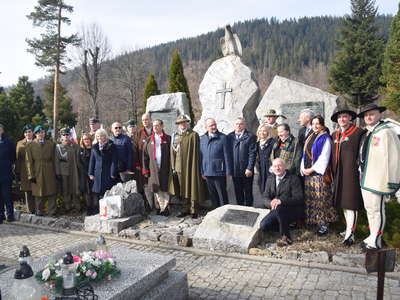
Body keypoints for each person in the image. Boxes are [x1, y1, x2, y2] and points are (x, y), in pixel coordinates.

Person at [358, 104, 400, 250]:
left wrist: (393, 181)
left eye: (372, 114)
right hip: (366, 178)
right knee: (369, 208)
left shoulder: (386, 132)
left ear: (379, 115)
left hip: (379, 179)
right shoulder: (369, 132)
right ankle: (372, 235)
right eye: (366, 115)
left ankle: (376, 240)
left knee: (377, 209)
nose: (368, 117)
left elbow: (394, 157)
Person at [330, 109, 365, 246]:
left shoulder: (358, 133)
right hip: (339, 174)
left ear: (350, 118)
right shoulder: (335, 135)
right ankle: (348, 229)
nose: (342, 119)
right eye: (340, 117)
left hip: (352, 174)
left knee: (351, 205)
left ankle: (351, 235)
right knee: (344, 204)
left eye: (345, 117)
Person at [301, 115, 336, 235]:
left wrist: (311, 169)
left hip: (319, 175)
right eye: (313, 123)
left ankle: (324, 224)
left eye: (318, 124)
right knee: (312, 199)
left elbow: (324, 158)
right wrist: (303, 168)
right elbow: (305, 153)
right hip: (308, 173)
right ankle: (315, 221)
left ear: (322, 125)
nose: (315, 126)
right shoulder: (311, 136)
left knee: (321, 199)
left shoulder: (325, 138)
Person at [259, 158, 304, 246]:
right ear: (272, 168)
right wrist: (270, 203)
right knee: (264, 225)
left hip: (291, 209)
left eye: (279, 166)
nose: (277, 168)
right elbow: (265, 197)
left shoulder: (293, 178)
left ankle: (286, 237)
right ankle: (286, 226)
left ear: (285, 167)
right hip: (275, 209)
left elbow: (299, 198)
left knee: (280, 208)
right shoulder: (270, 178)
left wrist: (281, 201)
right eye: (275, 166)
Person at [169, 114, 205, 218]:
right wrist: (173, 166)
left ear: (187, 123)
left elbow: (197, 153)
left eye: (184, 122)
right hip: (179, 167)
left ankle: (194, 209)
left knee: (192, 186)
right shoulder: (175, 136)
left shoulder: (193, 135)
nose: (182, 124)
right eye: (180, 123)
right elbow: (173, 153)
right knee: (182, 189)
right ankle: (185, 208)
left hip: (191, 166)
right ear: (178, 125)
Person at [199, 118, 232, 209]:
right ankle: (215, 212)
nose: (213, 127)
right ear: (206, 127)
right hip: (207, 172)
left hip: (219, 171)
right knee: (212, 195)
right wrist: (202, 171)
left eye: (214, 124)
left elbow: (227, 155)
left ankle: (225, 212)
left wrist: (228, 171)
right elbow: (200, 156)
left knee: (222, 195)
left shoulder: (223, 137)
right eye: (211, 125)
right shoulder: (202, 139)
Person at [25, 125, 58, 216]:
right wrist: (31, 175)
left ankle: (52, 211)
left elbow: (55, 159)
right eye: (38, 133)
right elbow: (28, 162)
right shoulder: (30, 145)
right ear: (35, 134)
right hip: (37, 170)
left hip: (49, 169)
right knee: (38, 191)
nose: (41, 134)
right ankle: (39, 210)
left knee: (51, 190)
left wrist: (56, 172)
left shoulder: (51, 144)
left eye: (42, 132)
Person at [142, 120, 171, 215]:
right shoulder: (149, 140)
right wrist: (145, 170)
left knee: (165, 188)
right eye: (154, 126)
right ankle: (159, 207)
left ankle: (166, 208)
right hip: (153, 168)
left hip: (165, 167)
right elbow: (145, 157)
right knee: (157, 189)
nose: (155, 127)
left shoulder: (168, 139)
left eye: (157, 125)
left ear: (162, 126)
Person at [227, 117, 257, 207]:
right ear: (234, 125)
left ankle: (249, 208)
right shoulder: (229, 137)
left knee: (248, 191)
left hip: (246, 169)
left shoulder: (250, 136)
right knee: (238, 191)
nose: (239, 126)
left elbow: (252, 153)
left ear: (244, 125)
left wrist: (250, 168)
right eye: (237, 124)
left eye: (241, 124)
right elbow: (228, 153)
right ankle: (240, 208)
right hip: (235, 170)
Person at [55, 128, 81, 214]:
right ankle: (67, 206)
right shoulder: (58, 147)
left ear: (70, 135)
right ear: (61, 136)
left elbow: (78, 159)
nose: (66, 136)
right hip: (63, 171)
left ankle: (77, 206)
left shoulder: (75, 146)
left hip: (74, 170)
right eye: (64, 135)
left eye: (67, 135)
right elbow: (56, 161)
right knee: (66, 189)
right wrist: (58, 172)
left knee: (75, 188)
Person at [88, 129, 118, 199]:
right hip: (97, 173)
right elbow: (92, 161)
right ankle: (100, 209)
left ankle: (108, 209)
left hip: (108, 172)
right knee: (98, 193)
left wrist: (113, 173)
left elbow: (114, 161)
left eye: (101, 136)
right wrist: (90, 173)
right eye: (98, 136)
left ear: (105, 136)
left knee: (108, 192)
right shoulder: (94, 147)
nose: (99, 138)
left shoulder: (111, 146)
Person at [15, 125, 35, 214]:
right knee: (27, 190)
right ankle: (30, 210)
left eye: (30, 131)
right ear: (24, 134)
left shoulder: (36, 142)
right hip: (24, 170)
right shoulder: (20, 143)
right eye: (26, 132)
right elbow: (17, 158)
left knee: (36, 189)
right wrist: (17, 171)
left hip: (35, 169)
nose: (28, 133)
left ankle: (38, 208)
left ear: (33, 133)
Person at [135, 113, 153, 206]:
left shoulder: (156, 130)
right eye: (143, 120)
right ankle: (148, 205)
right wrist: (137, 163)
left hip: (154, 163)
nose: (145, 122)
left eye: (146, 119)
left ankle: (158, 205)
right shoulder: (139, 133)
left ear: (150, 120)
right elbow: (137, 148)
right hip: (143, 164)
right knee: (145, 184)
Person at [0, 124, 16, 223]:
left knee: (7, 195)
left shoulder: (9, 142)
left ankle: (10, 215)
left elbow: (13, 157)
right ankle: (0, 215)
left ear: (2, 131)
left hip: (6, 173)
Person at [79, 133, 96, 215]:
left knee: (94, 191)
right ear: (82, 140)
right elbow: (78, 163)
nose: (86, 140)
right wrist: (85, 173)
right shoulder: (80, 150)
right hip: (84, 174)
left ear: (90, 140)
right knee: (86, 192)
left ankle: (95, 208)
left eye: (88, 139)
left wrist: (92, 173)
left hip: (94, 174)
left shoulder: (94, 149)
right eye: (84, 139)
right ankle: (88, 208)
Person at [255, 124, 274, 195]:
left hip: (270, 167)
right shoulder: (257, 143)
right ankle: (264, 203)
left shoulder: (272, 142)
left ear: (268, 132)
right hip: (261, 168)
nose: (262, 133)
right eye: (260, 131)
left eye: (264, 131)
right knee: (261, 185)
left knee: (270, 186)